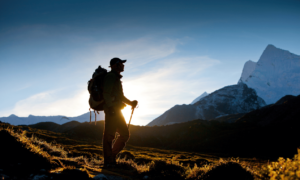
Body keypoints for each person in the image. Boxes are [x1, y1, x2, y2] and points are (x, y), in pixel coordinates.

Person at [102, 57, 138, 167]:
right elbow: (106, 93)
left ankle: (111, 157)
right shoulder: (111, 77)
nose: (123, 65)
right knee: (109, 136)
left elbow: (120, 96)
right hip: (112, 110)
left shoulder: (116, 78)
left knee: (124, 134)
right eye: (120, 63)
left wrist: (131, 103)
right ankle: (109, 161)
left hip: (116, 110)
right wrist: (111, 108)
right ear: (114, 65)